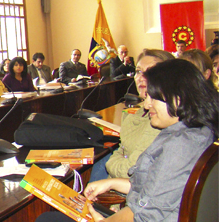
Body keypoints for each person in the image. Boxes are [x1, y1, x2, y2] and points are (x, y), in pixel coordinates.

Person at [39, 59, 218, 222]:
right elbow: (159, 189)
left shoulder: (180, 146)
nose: (147, 105)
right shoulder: (199, 132)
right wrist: (112, 182)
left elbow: (146, 214)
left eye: (153, 97)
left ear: (178, 98)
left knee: (47, 219)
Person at [102, 49, 173, 180]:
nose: (141, 78)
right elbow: (122, 150)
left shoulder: (161, 118)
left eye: (150, 72)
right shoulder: (143, 111)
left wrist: (111, 162)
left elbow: (130, 170)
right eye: (138, 71)